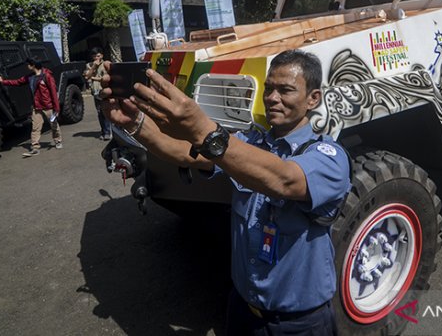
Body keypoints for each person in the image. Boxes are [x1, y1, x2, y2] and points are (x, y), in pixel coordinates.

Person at [101, 49, 351, 335]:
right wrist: (135, 123)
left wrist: (205, 131)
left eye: (285, 90)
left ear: (313, 99)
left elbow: (284, 180)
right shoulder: (249, 141)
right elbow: (182, 153)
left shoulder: (328, 157)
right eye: (268, 88)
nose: (272, 97)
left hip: (298, 324)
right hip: (242, 311)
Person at [0, 58, 62, 157]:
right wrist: (3, 82)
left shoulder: (47, 76)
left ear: (33, 65)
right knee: (35, 128)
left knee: (54, 125)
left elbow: (53, 92)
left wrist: (56, 108)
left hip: (48, 106)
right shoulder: (30, 77)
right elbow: (18, 82)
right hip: (36, 107)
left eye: (28, 64)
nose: (27, 66)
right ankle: (35, 147)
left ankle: (58, 141)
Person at [84, 47, 112, 140]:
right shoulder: (89, 65)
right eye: (94, 56)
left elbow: (106, 78)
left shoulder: (105, 64)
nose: (96, 58)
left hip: (103, 91)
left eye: (98, 56)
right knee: (99, 112)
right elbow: (87, 76)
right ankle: (103, 131)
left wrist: (93, 78)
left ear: (102, 56)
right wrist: (93, 67)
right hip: (95, 92)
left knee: (106, 111)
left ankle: (108, 132)